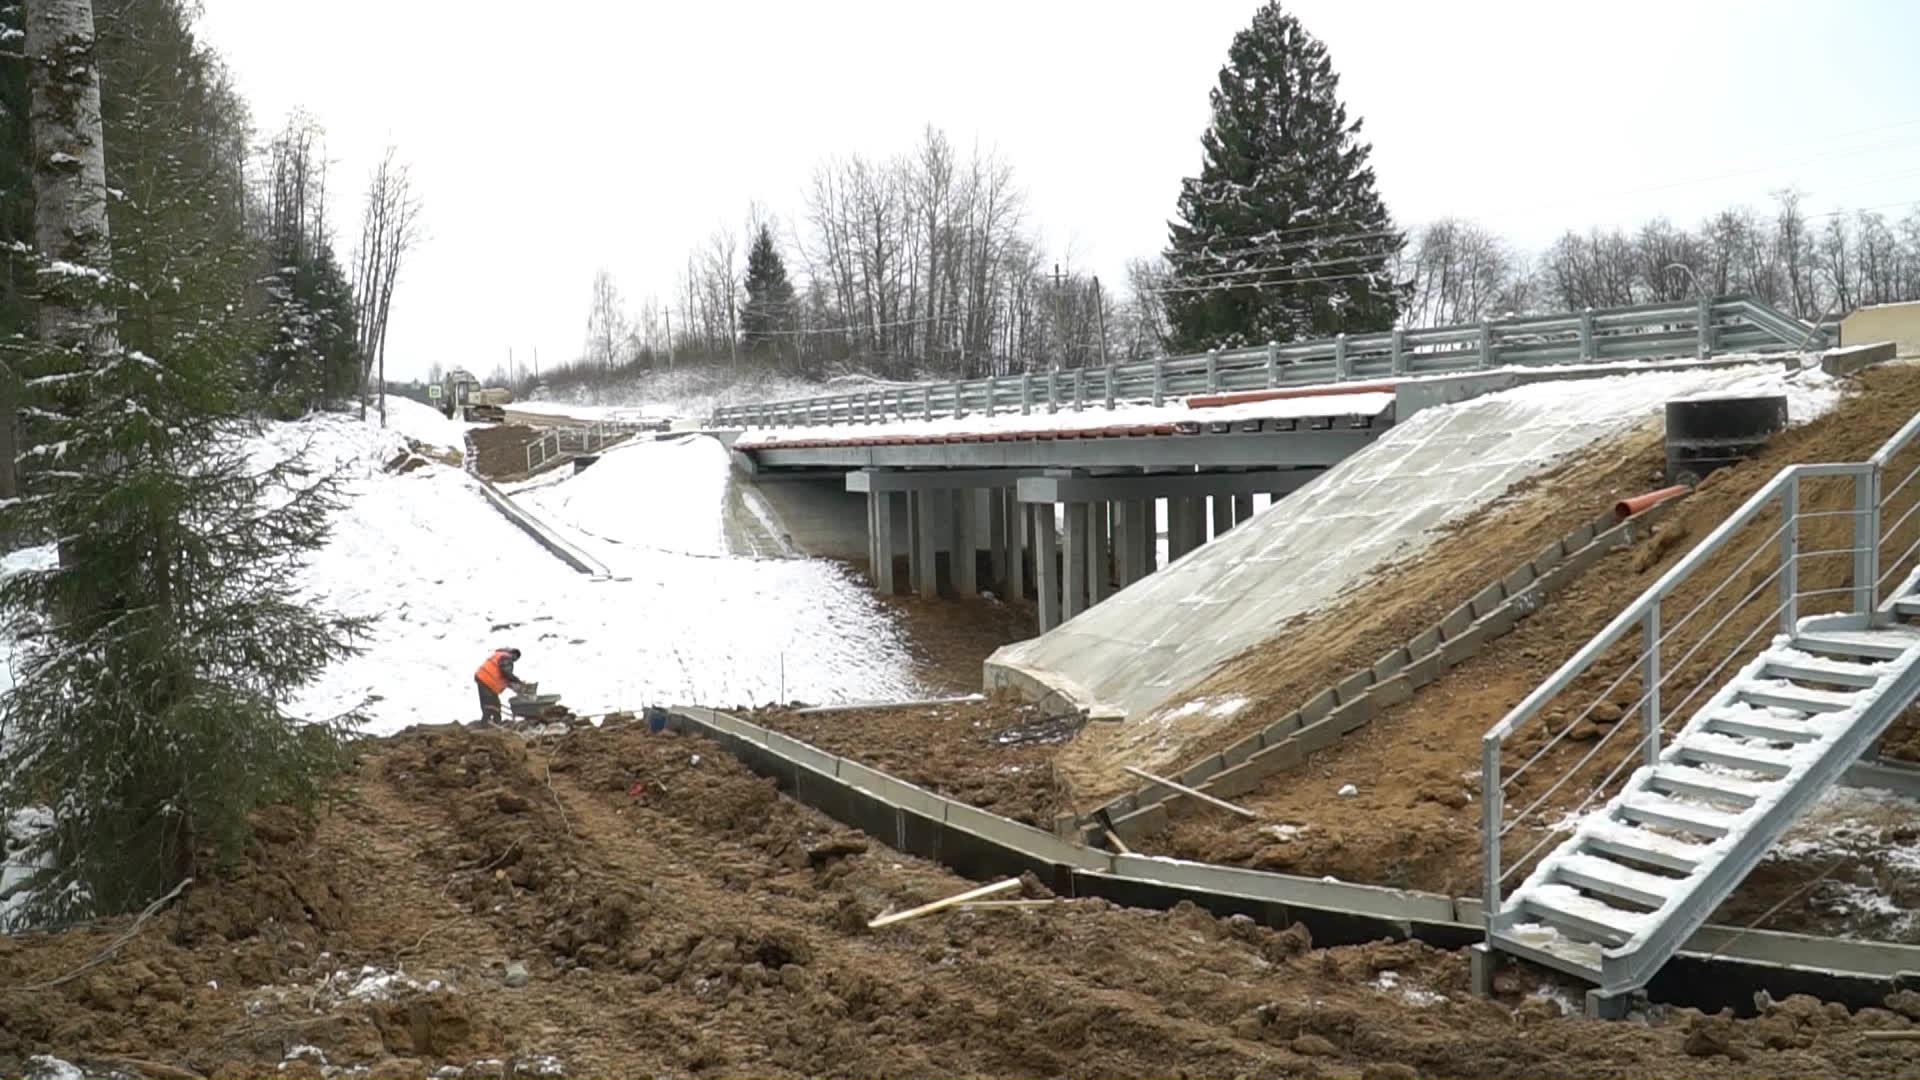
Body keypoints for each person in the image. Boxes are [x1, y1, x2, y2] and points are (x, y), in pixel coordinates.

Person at [474, 647, 526, 725]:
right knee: (492, 704)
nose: (514, 661)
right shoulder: (506, 657)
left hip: (483, 678)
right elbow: (506, 672)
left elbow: (503, 676)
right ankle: (491, 723)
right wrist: (517, 681)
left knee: (489, 703)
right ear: (514, 655)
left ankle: (488, 722)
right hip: (486, 680)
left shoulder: (500, 655)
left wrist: (513, 685)